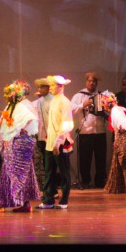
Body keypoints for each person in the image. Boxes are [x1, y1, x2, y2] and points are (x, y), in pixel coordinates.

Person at [0, 79, 41, 213]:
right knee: (17, 172)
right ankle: (23, 203)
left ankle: (2, 204)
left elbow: (31, 120)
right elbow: (6, 121)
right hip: (15, 141)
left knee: (14, 172)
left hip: (20, 142)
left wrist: (19, 130)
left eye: (10, 94)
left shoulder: (24, 105)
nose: (7, 97)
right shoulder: (13, 106)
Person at [37, 75, 75, 209]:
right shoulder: (54, 101)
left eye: (52, 85)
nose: (50, 88)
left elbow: (67, 124)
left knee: (64, 172)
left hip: (61, 142)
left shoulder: (65, 102)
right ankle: (48, 200)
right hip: (50, 141)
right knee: (49, 171)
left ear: (60, 87)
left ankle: (64, 200)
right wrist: (49, 138)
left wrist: (58, 143)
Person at [71, 72, 107, 189]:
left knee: (101, 158)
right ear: (86, 82)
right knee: (85, 159)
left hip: (100, 131)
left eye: (94, 81)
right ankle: (85, 181)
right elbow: (71, 110)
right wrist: (83, 104)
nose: (92, 83)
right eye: (90, 81)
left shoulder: (102, 95)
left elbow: (109, 111)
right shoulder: (78, 96)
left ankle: (100, 181)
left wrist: (106, 108)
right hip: (85, 131)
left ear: (96, 83)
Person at [103, 91, 126, 194]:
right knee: (120, 163)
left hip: (124, 138)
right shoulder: (122, 109)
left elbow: (123, 126)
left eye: (103, 103)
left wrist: (119, 138)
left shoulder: (115, 111)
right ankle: (120, 187)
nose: (103, 106)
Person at [32, 77, 54, 190]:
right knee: (45, 163)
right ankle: (47, 189)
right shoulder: (39, 101)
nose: (39, 89)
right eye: (39, 87)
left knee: (51, 164)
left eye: (42, 87)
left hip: (51, 136)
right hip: (41, 136)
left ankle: (52, 188)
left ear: (47, 88)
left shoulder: (53, 100)